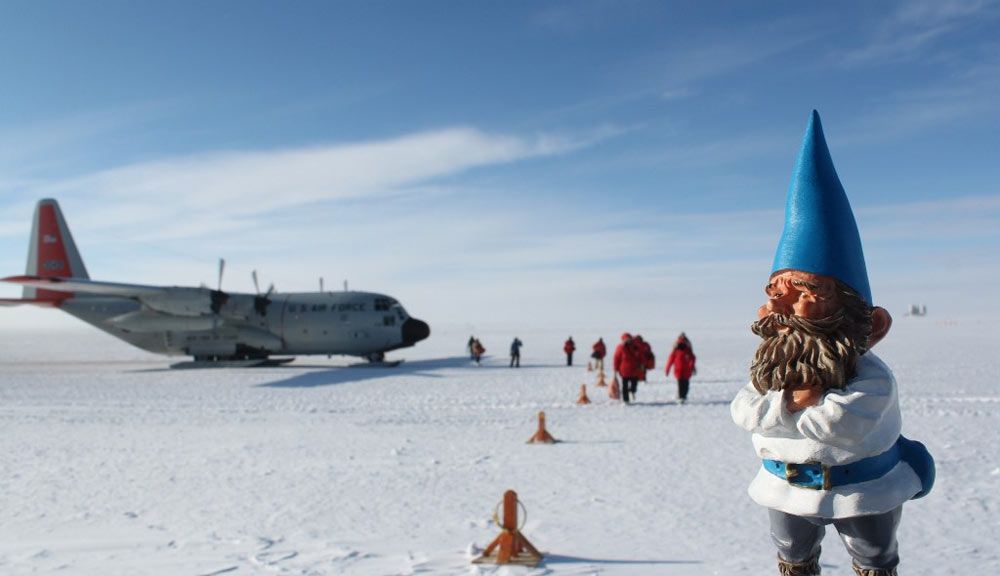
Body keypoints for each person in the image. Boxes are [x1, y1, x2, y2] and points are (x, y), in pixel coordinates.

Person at [729, 111, 934, 576]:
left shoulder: (871, 376)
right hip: (784, 491)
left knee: (874, 557)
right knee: (793, 558)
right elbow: (745, 412)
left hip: (865, 490)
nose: (783, 307)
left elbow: (841, 425)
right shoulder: (770, 370)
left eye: (807, 292)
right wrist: (803, 398)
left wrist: (788, 408)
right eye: (776, 292)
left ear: (866, 321)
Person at [665, 334, 697, 404]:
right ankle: (681, 397)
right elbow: (692, 358)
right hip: (682, 370)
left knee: (683, 384)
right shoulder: (685, 348)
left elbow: (670, 360)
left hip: (683, 370)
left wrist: (667, 369)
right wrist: (692, 367)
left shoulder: (677, 349)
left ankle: (682, 396)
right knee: (683, 384)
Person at [612, 333, 642, 404]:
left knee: (634, 385)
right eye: (626, 339)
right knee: (624, 386)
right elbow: (616, 359)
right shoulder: (620, 348)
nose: (628, 341)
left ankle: (632, 391)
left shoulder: (635, 347)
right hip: (624, 371)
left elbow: (640, 356)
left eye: (629, 339)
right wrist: (615, 369)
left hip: (634, 370)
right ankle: (626, 400)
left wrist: (642, 364)